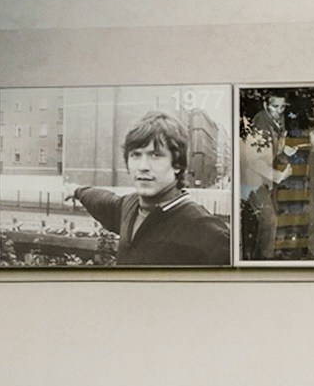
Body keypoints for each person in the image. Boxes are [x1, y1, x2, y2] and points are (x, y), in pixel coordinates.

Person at [65, 111, 229, 265]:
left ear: (177, 164)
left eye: (156, 155)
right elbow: (101, 201)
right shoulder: (129, 206)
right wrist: (76, 191)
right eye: (136, 155)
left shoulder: (208, 233)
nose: (143, 167)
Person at [240, 92, 298, 259]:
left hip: (264, 182)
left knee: (263, 223)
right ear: (266, 105)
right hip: (253, 181)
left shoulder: (277, 121)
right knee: (269, 220)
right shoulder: (261, 123)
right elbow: (253, 160)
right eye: (275, 106)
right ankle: (263, 261)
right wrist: (278, 175)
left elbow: (271, 148)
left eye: (282, 107)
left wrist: (283, 150)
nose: (279, 111)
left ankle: (259, 258)